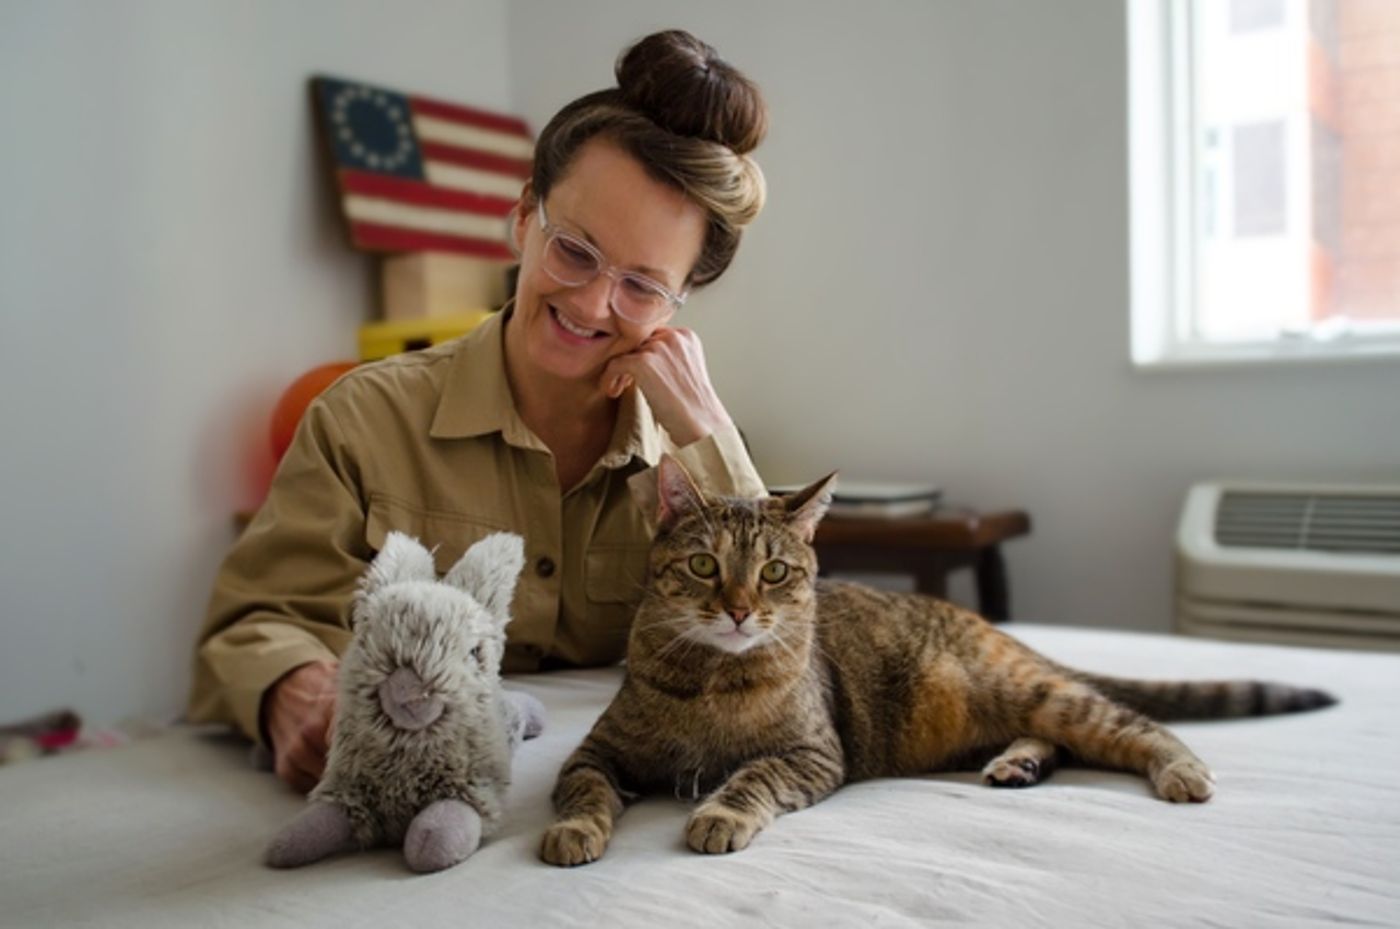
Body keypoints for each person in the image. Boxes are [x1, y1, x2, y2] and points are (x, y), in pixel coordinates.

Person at [188, 30, 770, 793]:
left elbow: (779, 652)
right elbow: (253, 622)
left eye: (642, 286)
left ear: (681, 300)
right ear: (524, 217)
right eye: (575, 250)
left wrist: (708, 429)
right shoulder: (359, 420)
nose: (593, 303)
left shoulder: (690, 465)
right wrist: (290, 688)